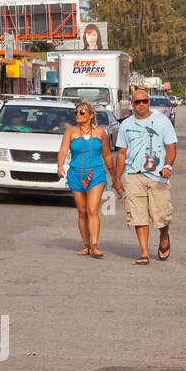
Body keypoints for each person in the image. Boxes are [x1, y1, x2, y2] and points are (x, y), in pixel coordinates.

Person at [113, 89, 177, 265]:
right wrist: (117, 178)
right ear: (132, 104)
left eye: (144, 101)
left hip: (158, 176)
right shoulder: (126, 124)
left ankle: (164, 236)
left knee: (161, 215)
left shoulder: (162, 121)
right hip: (134, 175)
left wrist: (167, 166)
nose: (141, 104)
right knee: (137, 215)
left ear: (149, 102)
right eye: (137, 102)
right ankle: (144, 252)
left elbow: (171, 147)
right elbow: (121, 153)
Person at [57, 102, 115, 257]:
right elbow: (63, 150)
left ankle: (95, 246)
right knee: (82, 212)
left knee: (92, 210)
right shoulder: (70, 131)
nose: (78, 115)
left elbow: (107, 155)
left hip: (96, 174)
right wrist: (60, 165)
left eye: (81, 112)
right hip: (75, 174)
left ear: (91, 115)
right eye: (76, 112)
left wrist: (115, 176)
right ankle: (86, 245)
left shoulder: (101, 133)